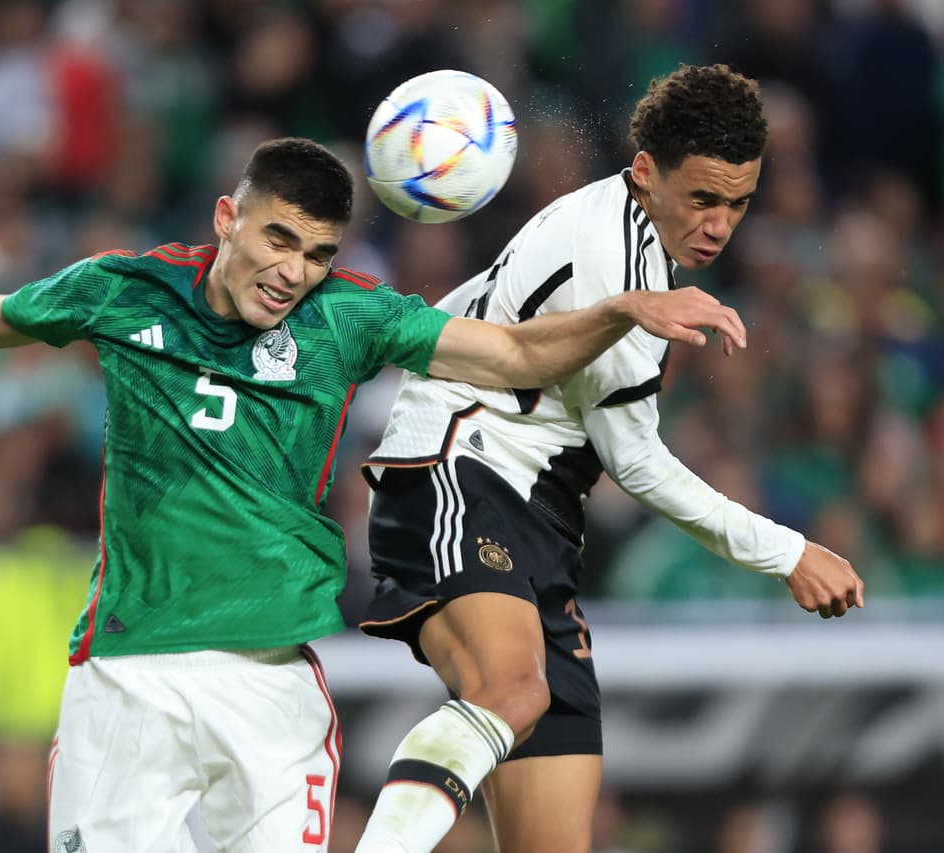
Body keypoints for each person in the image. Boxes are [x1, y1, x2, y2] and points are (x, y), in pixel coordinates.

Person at [0, 137, 747, 852]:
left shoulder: (351, 318)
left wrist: (620, 310)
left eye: (318, 253)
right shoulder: (124, 290)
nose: (293, 271)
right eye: (278, 239)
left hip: (270, 687)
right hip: (128, 680)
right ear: (228, 219)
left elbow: (513, 350)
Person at [352, 66, 865, 853]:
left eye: (738, 204)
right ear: (647, 172)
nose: (720, 225)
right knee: (510, 687)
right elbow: (638, 465)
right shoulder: (612, 262)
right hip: (458, 467)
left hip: (538, 519)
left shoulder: (633, 240)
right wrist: (789, 552)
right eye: (703, 198)